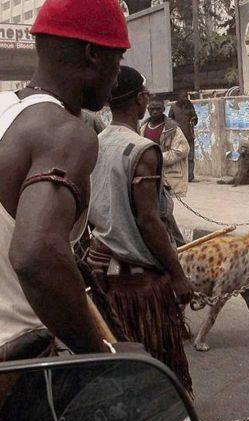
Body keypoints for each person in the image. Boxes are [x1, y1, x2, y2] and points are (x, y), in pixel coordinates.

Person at [0, 0, 130, 360]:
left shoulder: (5, 110)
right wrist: (101, 356)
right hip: (18, 365)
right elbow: (35, 255)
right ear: (92, 55)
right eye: (117, 59)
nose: (118, 75)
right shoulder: (65, 133)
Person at [87, 66, 195, 395]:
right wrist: (178, 275)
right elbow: (149, 220)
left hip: (100, 267)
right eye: (147, 95)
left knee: (118, 360)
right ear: (141, 99)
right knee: (154, 358)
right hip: (137, 281)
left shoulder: (96, 142)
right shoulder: (141, 149)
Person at [141, 97, 191, 196]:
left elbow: (182, 150)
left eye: (158, 109)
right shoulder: (142, 128)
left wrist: (157, 157)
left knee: (165, 207)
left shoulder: (173, 129)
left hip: (166, 176)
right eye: (152, 109)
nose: (155, 112)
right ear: (148, 110)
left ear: (164, 109)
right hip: (147, 175)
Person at [169, 92, 199, 182]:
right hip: (177, 137)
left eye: (186, 96)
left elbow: (196, 119)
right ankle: (180, 176)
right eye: (183, 96)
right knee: (179, 157)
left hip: (189, 135)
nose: (185, 98)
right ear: (178, 98)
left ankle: (190, 177)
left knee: (190, 157)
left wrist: (193, 120)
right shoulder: (173, 107)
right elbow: (169, 121)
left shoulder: (189, 106)